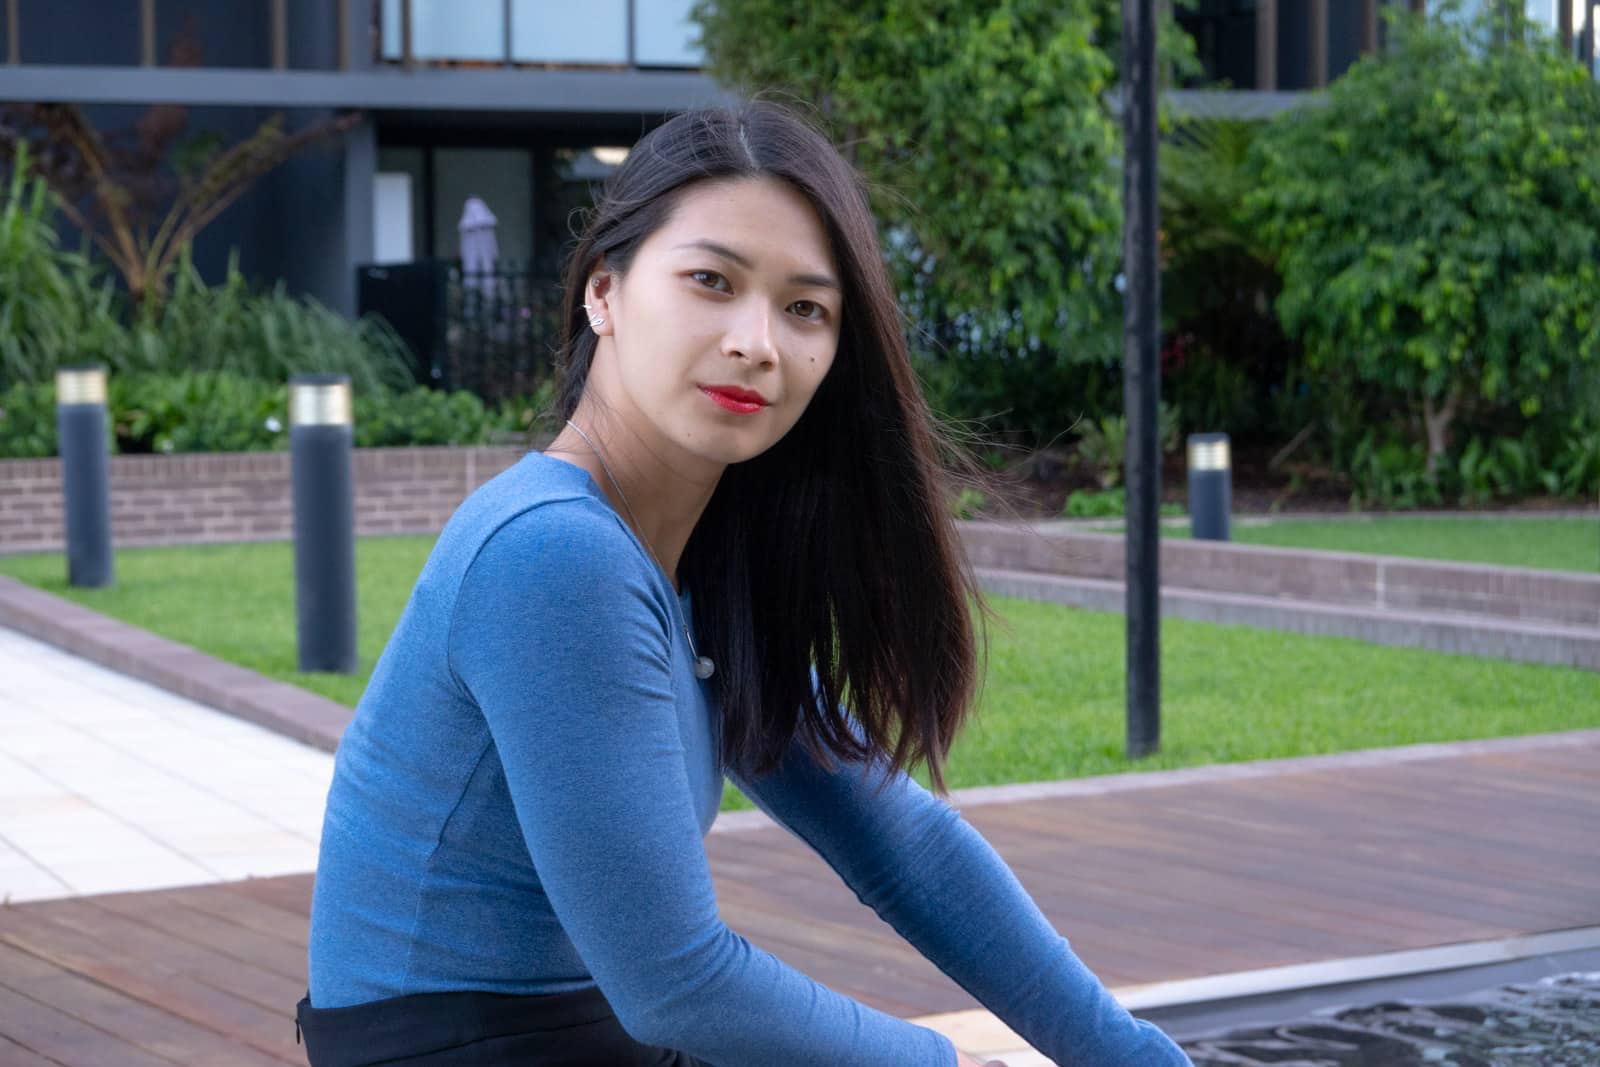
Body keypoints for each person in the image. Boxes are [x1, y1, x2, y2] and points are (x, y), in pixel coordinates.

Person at [298, 102, 1193, 1066]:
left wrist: (1134, 1058)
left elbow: (904, 844)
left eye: (804, 307)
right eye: (710, 281)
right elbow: (676, 981)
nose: (757, 342)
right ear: (605, 291)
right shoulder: (554, 553)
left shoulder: (693, 568)